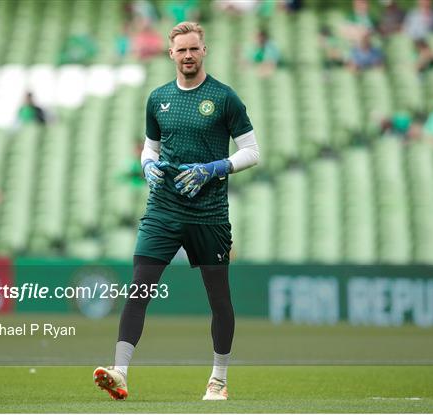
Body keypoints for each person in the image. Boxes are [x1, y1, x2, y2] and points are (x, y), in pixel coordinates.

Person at [93, 21, 259, 401]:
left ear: (204, 50)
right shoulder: (158, 98)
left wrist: (214, 168)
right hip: (164, 208)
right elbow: (150, 147)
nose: (187, 55)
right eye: (181, 50)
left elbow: (253, 151)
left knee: (219, 299)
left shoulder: (224, 97)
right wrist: (147, 165)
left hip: (209, 214)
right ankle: (119, 371)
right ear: (171, 54)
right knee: (139, 287)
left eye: (193, 49)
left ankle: (218, 380)